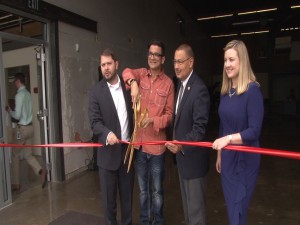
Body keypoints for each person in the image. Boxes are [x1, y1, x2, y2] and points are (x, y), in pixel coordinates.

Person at [122, 39, 174, 225]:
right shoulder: (141, 75)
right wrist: (133, 83)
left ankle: (157, 221)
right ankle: (145, 221)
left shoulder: (168, 83)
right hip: (140, 145)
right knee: (143, 190)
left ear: (163, 59)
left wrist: (153, 120)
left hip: (157, 147)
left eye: (156, 54)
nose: (152, 57)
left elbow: (169, 116)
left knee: (157, 191)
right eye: (150, 54)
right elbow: (125, 71)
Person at [212, 40, 264, 225]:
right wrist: (220, 153)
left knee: (239, 209)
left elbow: (254, 131)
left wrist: (228, 139)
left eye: (232, 59)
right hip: (227, 158)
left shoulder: (252, 91)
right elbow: (223, 126)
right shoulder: (225, 92)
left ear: (242, 61)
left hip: (246, 159)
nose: (227, 64)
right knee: (232, 209)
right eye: (225, 60)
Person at [165, 44, 210, 225]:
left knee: (196, 214)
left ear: (191, 62)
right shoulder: (181, 85)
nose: (176, 66)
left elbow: (199, 128)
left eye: (180, 62)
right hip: (183, 161)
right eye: (174, 61)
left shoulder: (199, 90)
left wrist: (182, 144)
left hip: (194, 161)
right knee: (188, 213)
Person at [88, 48, 135, 225]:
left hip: (127, 156)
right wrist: (107, 134)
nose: (106, 68)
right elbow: (94, 122)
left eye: (109, 64)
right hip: (107, 157)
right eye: (103, 65)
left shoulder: (129, 88)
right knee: (109, 206)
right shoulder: (95, 93)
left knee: (128, 204)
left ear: (117, 64)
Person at [6, 72, 47, 191]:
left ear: (18, 81)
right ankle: (40, 171)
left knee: (15, 155)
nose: (14, 84)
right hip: (30, 128)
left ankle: (16, 183)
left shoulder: (19, 95)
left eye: (15, 81)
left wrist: (10, 111)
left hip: (22, 130)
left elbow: (17, 115)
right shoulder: (28, 94)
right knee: (28, 155)